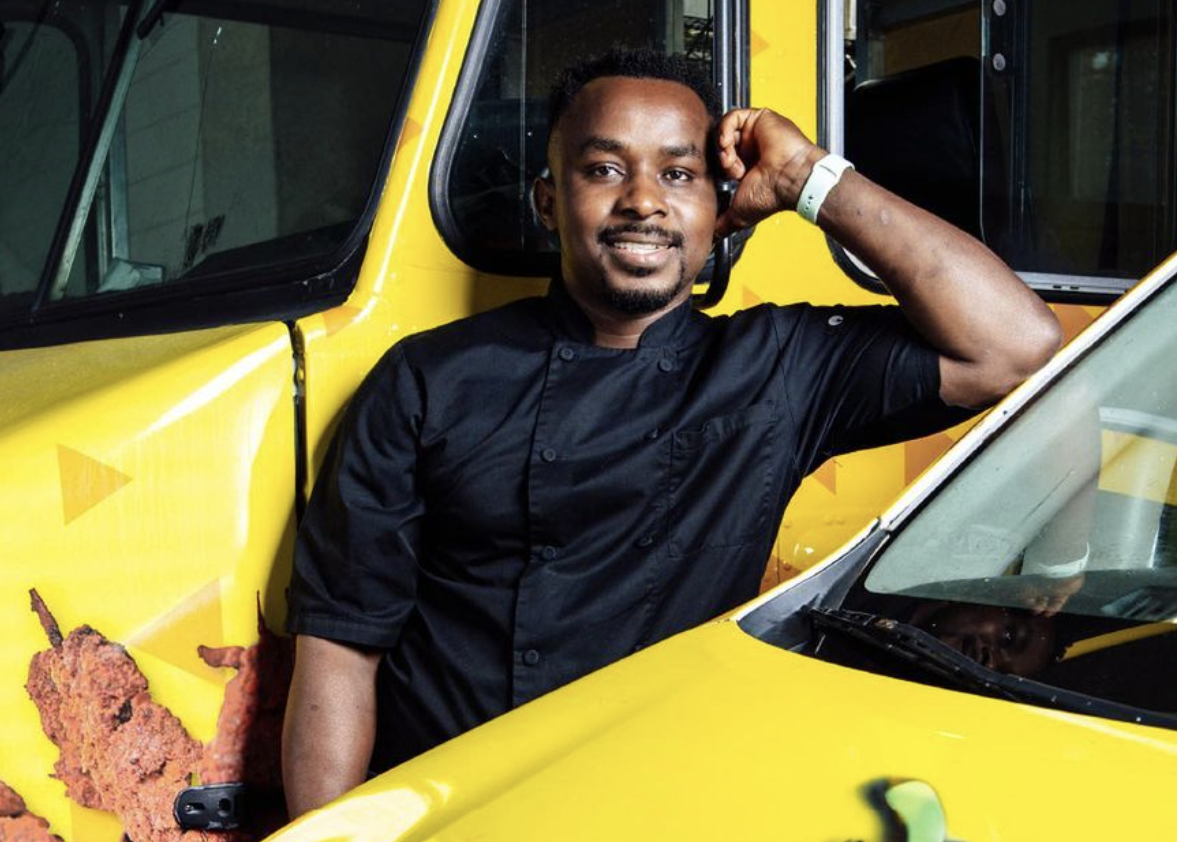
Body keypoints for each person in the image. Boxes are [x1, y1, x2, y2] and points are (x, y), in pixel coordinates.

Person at [281, 49, 1062, 817]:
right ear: (548, 203)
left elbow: (1014, 345)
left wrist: (806, 179)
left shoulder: (777, 369)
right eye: (604, 169)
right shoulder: (427, 380)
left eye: (679, 174)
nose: (644, 202)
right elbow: (341, 647)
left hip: (660, 809)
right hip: (453, 813)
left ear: (719, 212)